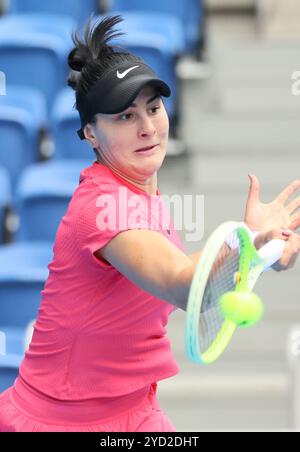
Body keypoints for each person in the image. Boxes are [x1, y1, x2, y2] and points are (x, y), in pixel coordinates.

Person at [0, 15, 299, 433]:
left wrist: (262, 252)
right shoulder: (102, 207)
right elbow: (181, 282)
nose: (147, 128)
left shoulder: (144, 196)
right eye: (124, 117)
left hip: (132, 411)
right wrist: (248, 240)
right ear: (90, 133)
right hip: (59, 422)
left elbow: (192, 282)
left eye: (153, 109)